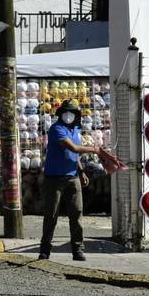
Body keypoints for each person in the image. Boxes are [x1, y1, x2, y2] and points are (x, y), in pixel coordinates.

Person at [39, 99, 123, 261]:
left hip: (72, 177)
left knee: (76, 213)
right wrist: (97, 150)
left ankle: (78, 250)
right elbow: (73, 148)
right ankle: (45, 249)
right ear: (61, 114)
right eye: (66, 112)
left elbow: (74, 155)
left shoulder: (75, 130)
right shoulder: (57, 129)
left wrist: (81, 170)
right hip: (54, 179)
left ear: (76, 115)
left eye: (72, 113)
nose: (68, 116)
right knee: (51, 215)